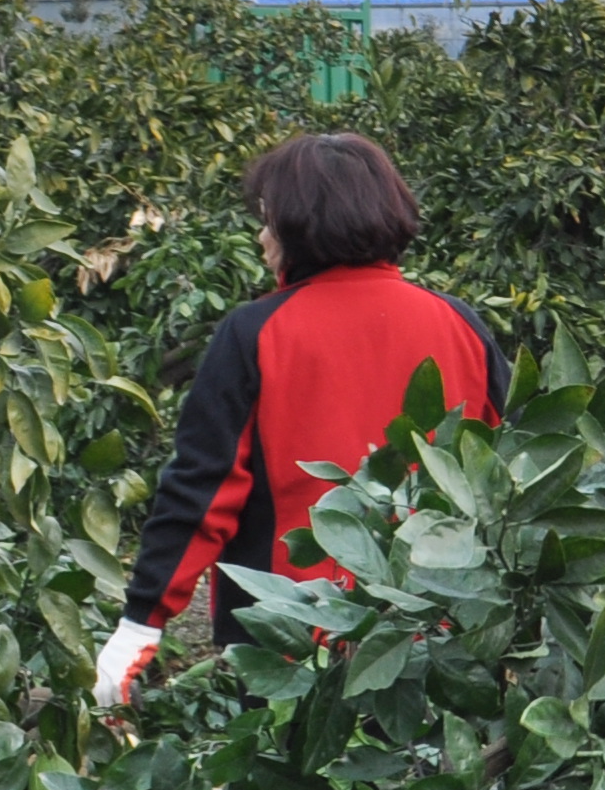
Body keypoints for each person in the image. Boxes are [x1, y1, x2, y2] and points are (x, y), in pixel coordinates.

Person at [96, 134, 511, 705]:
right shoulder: (459, 324)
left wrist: (142, 622)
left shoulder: (255, 334)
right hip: (435, 634)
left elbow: (201, 491)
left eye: (269, 221)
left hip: (290, 643)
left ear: (298, 225)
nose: (263, 238)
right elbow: (512, 467)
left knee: (290, 784)